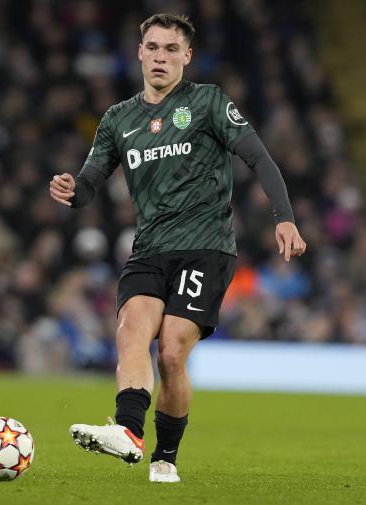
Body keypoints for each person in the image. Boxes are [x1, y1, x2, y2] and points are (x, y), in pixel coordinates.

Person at [49, 13, 306, 483]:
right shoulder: (117, 120)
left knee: (170, 352)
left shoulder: (208, 102)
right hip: (149, 248)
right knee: (131, 331)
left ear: (187, 56)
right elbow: (90, 183)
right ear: (140, 53)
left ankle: (165, 455)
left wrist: (284, 216)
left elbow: (258, 157)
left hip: (205, 248)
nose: (161, 57)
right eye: (153, 47)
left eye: (171, 49)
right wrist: (72, 190)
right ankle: (128, 432)